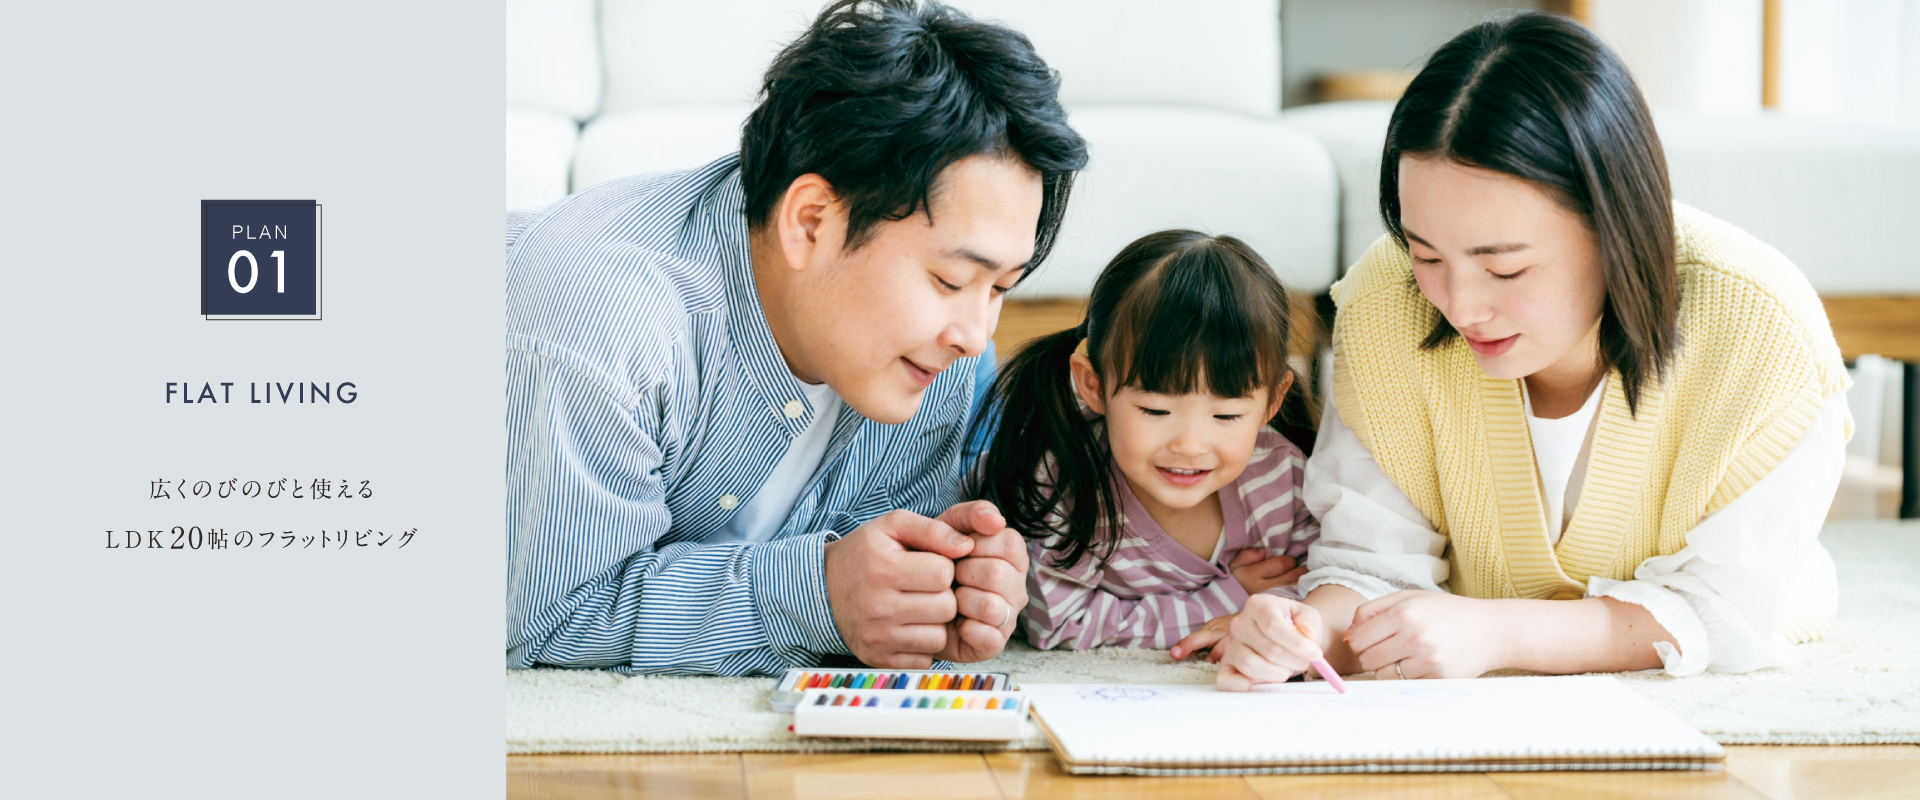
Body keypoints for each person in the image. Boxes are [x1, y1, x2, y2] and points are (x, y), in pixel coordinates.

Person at [1180, 12, 1851, 688]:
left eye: (1505, 269)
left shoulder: (1763, 330)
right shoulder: (1387, 302)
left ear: (1613, 226)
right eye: (1426, 254)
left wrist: (1498, 631)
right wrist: (1306, 632)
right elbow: (1369, 561)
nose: (1460, 306)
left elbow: (1722, 609)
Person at [504, 0, 1088, 675]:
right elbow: (535, 621)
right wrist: (817, 596)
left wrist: (932, 598)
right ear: (810, 223)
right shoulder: (604, 326)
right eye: (952, 279)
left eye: (1001, 287)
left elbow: (877, 570)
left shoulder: (941, 354)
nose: (976, 333)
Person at [968, 230, 1322, 650]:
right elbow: (1059, 622)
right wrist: (1229, 601)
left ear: (1272, 401)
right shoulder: (1060, 480)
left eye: (1226, 415)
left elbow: (1317, 587)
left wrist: (1268, 617)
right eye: (1155, 410)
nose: (1190, 445)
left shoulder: (1281, 478)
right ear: (1093, 385)